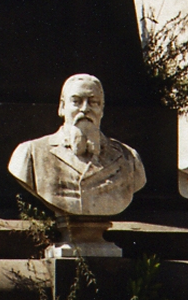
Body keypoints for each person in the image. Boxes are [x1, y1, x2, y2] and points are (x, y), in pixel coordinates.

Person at [8, 74, 146, 217]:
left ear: (102, 110)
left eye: (93, 102)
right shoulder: (30, 153)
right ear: (62, 107)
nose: (85, 109)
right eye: (76, 102)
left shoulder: (129, 159)